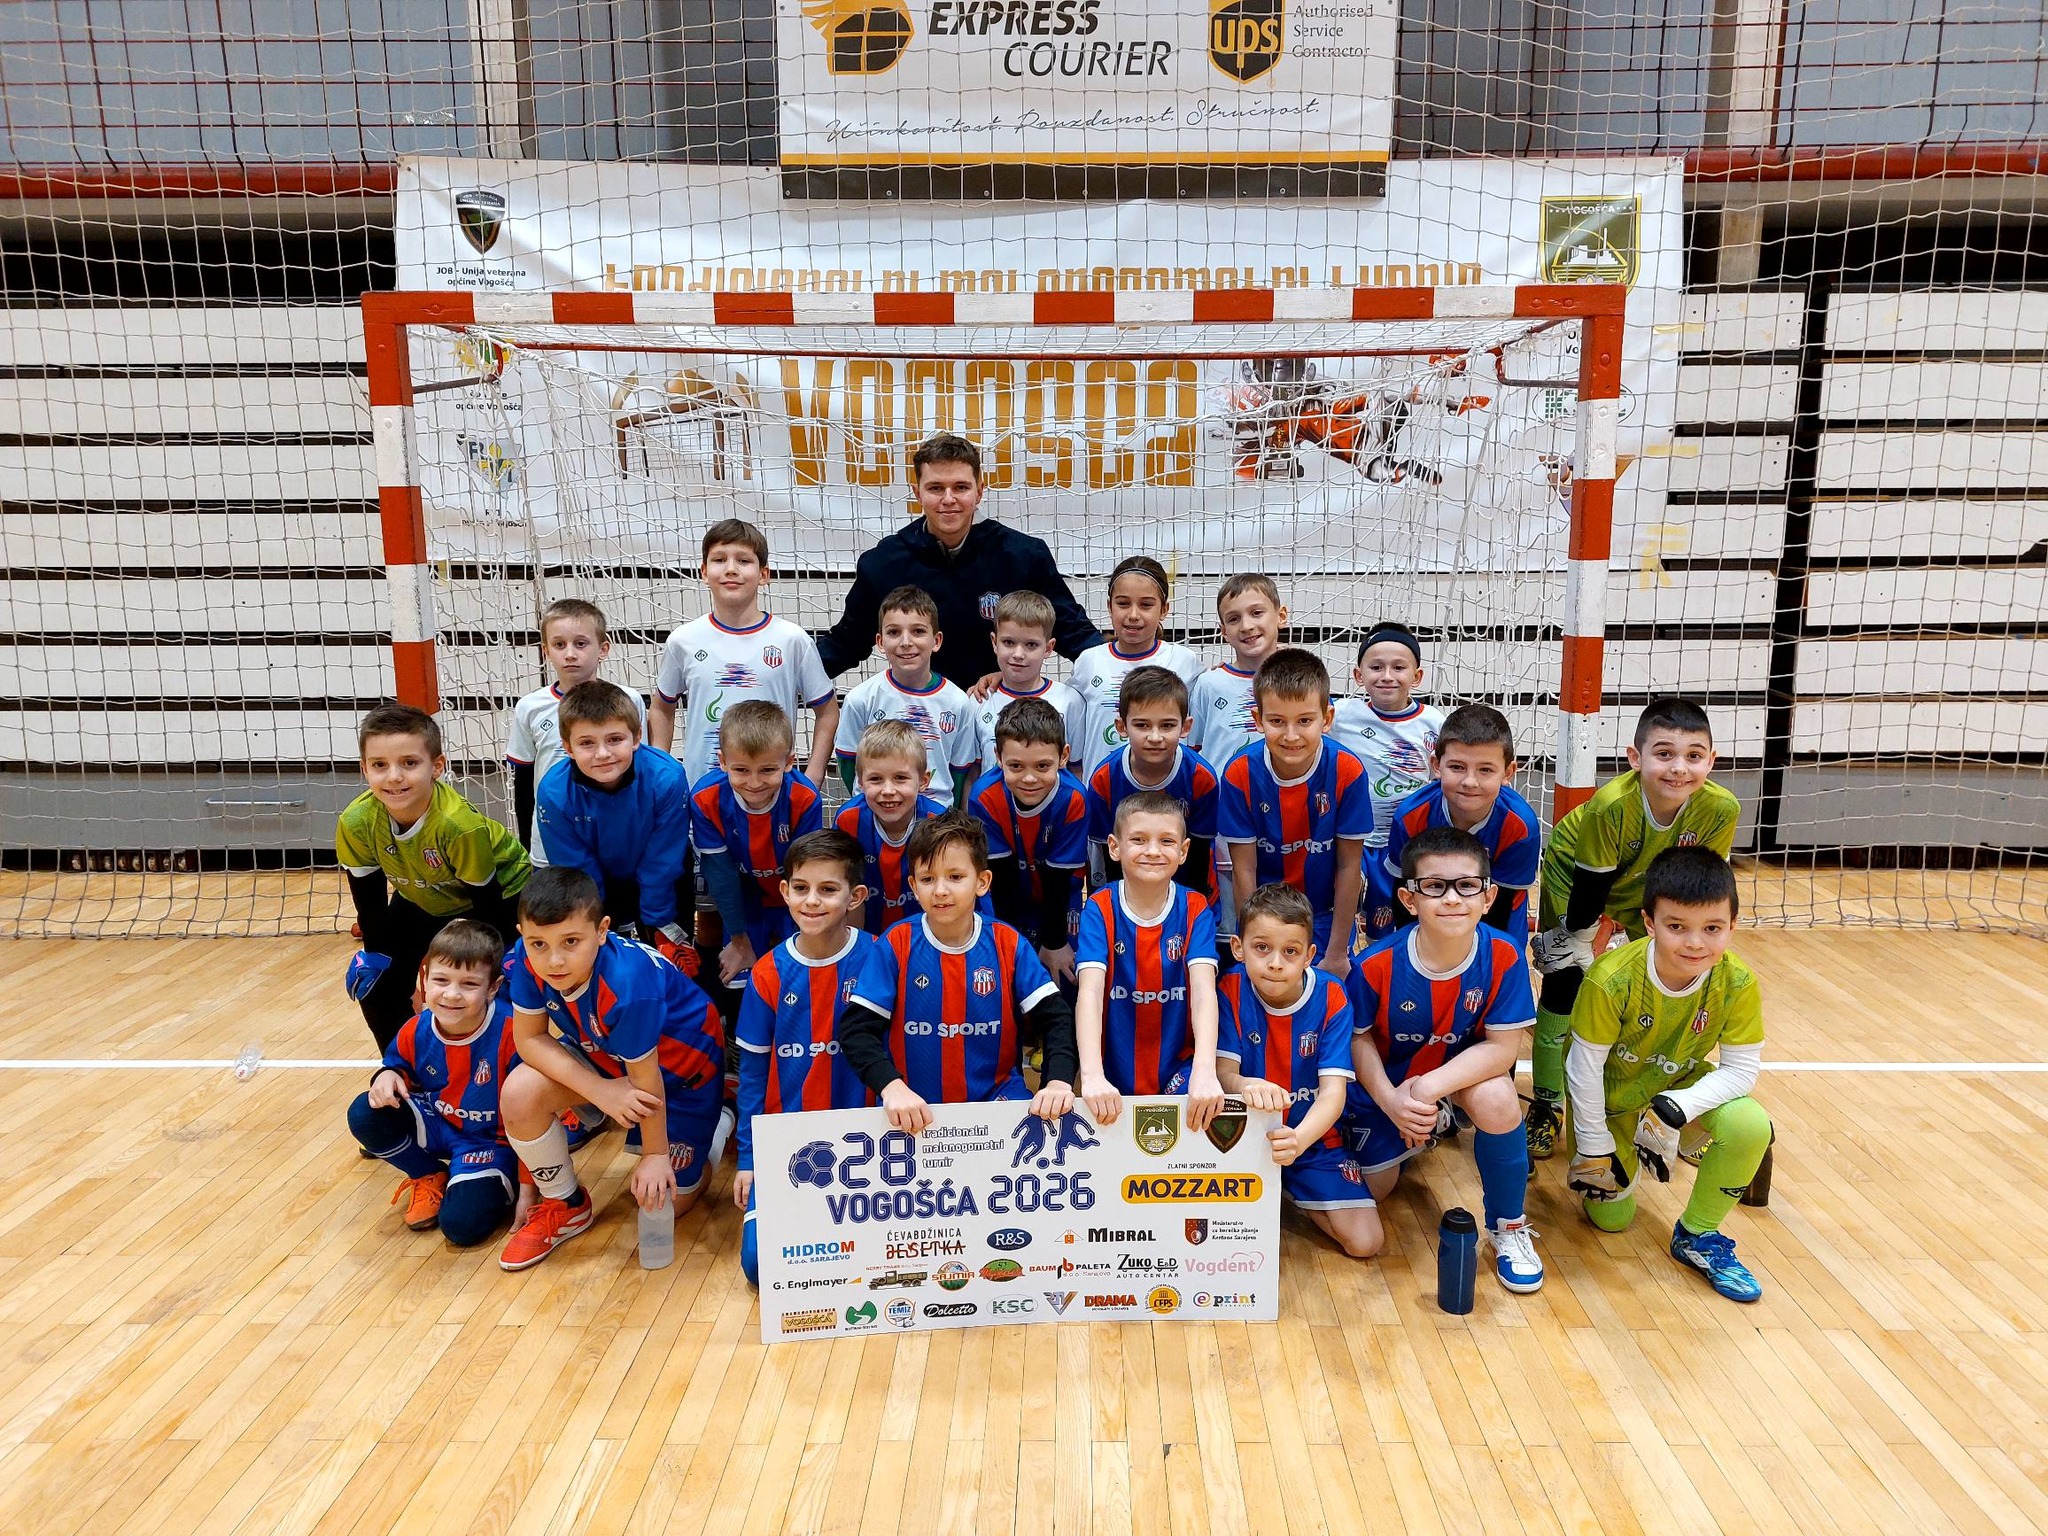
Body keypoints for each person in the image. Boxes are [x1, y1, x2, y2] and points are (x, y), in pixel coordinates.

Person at [1526, 697, 1741, 1161]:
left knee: (1662, 984)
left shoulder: (1721, 808)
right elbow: (1591, 893)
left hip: (1650, 889)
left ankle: (1657, 1105)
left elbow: (1700, 884)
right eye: (1664, 754)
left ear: (1711, 761)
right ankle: (1547, 1104)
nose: (1678, 768)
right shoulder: (1610, 807)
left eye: (1693, 755)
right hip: (1578, 883)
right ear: (1635, 758)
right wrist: (1588, 941)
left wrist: (1681, 940)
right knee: (1567, 982)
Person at [1564, 847, 1771, 1303]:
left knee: (1750, 1124)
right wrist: (1594, 1144)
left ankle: (1697, 1234)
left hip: (1675, 1090)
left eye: (1712, 928)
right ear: (1650, 922)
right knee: (1613, 1220)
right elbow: (1582, 1069)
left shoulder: (1737, 982)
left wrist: (1677, 1108)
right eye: (1677, 927)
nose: (1695, 943)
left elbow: (1741, 1072)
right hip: (1611, 1100)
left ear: (1733, 925)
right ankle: (1631, 1147)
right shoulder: (1611, 979)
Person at [1343, 827, 1545, 1291]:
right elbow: (1357, 1041)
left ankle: (1508, 1226)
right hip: (1390, 1087)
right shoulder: (1375, 964)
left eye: (1466, 885)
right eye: (1434, 886)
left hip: (1449, 1081)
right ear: (1409, 899)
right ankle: (1420, 1130)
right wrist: (1393, 1101)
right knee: (1375, 1190)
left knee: (1498, 1098)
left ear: (1488, 897)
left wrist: (1429, 1089)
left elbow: (1502, 1049)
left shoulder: (1504, 955)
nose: (1452, 898)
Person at [497, 868, 727, 1271]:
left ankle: (719, 1123)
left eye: (571, 941)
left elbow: (646, 1081)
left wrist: (655, 1156)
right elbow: (529, 1040)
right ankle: (565, 1203)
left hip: (684, 1076)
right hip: (611, 1060)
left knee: (667, 1201)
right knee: (519, 1092)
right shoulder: (527, 959)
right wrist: (600, 1091)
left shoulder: (627, 985)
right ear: (523, 934)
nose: (554, 960)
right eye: (539, 943)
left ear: (602, 930)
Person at [839, 813, 1080, 1132]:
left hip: (998, 1100)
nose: (940, 890)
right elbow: (856, 1030)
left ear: (982, 882)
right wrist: (891, 1087)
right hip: (914, 1109)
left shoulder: (1008, 943)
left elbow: (1056, 1018)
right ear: (913, 886)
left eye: (955, 877)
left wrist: (1058, 1081)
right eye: (927, 879)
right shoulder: (895, 944)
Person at [815, 433, 1098, 689]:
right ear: (917, 492)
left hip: (998, 709)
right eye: (936, 488)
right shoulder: (883, 563)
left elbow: (1071, 630)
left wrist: (1117, 666)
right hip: (918, 712)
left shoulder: (1025, 556)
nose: (948, 499)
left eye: (960, 487)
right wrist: (794, 669)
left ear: (979, 491)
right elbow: (847, 642)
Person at [733, 830, 879, 1287]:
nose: (812, 901)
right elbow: (752, 1077)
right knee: (761, 1267)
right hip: (789, 1146)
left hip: (867, 1141)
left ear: (855, 897)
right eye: (801, 888)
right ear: (784, 891)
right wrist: (749, 1159)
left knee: (878, 1259)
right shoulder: (767, 973)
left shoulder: (879, 958)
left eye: (828, 889)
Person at [338, 703, 529, 1048]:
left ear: (437, 766)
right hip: (425, 896)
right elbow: (370, 904)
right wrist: (375, 955)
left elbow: (486, 904)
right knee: (378, 982)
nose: (394, 777)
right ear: (364, 768)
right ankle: (402, 1067)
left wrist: (498, 957)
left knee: (484, 982)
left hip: (501, 897)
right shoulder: (356, 822)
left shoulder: (458, 825)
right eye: (380, 765)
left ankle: (495, 1063)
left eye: (409, 763)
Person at [1214, 884, 1375, 1257]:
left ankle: (1288, 1187)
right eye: (1261, 948)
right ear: (1238, 948)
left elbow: (1333, 1093)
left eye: (1290, 951)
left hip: (1310, 1137)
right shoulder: (1229, 988)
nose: (1275, 963)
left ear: (1309, 955)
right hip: (1243, 1137)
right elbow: (1222, 1072)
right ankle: (1279, 1188)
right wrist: (1244, 1084)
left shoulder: (1332, 995)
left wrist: (1299, 1140)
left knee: (1366, 1242)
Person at [347, 919, 522, 1246]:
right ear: (425, 978)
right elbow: (397, 1065)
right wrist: (387, 1076)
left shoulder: (513, 1032)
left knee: (461, 1227)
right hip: (438, 1123)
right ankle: (427, 1173)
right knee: (364, 1112)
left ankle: (483, 1179)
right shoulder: (417, 1029)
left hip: (490, 1142)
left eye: (469, 984)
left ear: (493, 987)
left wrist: (530, 1186)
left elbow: (534, 1111)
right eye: (441, 980)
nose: (452, 994)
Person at [1073, 791, 1225, 1129]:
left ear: (1184, 851)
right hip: (1111, 1071)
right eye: (1139, 839)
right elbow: (1090, 994)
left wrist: (1205, 1071)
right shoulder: (1099, 907)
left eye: (1166, 841)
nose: (1153, 850)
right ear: (1114, 847)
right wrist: (1092, 1074)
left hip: (1178, 1070)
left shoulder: (1195, 908)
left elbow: (1204, 993)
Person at [1217, 648, 1371, 980]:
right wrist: (1253, 943)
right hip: (1263, 916)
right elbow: (1244, 869)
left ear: (1326, 719)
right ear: (1258, 719)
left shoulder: (1348, 771)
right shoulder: (1239, 774)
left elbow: (1349, 866)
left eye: (1304, 721)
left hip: (1324, 916)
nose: (1290, 735)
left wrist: (1337, 952)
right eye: (1277, 721)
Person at [649, 518, 837, 789]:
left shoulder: (792, 640)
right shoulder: (683, 640)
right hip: (701, 794)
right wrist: (662, 772)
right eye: (719, 560)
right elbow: (661, 709)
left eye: (744, 561)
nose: (731, 569)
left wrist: (813, 777)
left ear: (764, 574)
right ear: (704, 572)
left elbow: (828, 712)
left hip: (772, 793)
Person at [533, 680, 694, 963]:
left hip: (664, 879)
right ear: (567, 747)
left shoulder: (667, 778)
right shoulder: (554, 792)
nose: (603, 754)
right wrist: (597, 923)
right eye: (587, 743)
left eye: (615, 739)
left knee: (669, 965)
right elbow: (577, 870)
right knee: (605, 962)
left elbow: (663, 859)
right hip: (595, 880)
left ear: (637, 737)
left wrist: (659, 925)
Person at [1371, 704, 1540, 947]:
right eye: (1457, 767)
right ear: (1436, 765)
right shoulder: (1410, 816)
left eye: (1485, 770)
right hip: (1430, 915)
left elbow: (1504, 903)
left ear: (1508, 772)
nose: (1470, 781)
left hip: (1497, 921)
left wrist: (1482, 954)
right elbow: (1403, 894)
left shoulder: (1520, 826)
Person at [690, 701, 824, 986]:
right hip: (742, 901)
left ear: (789, 762)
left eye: (767, 770)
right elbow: (721, 876)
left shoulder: (805, 799)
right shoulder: (705, 799)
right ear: (722, 761)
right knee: (738, 982)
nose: (754, 783)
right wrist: (739, 939)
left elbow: (807, 872)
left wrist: (807, 931)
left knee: (800, 978)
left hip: (792, 899)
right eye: (741, 770)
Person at [504, 597, 643, 860]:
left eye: (580, 643)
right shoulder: (529, 707)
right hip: (551, 837)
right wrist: (526, 842)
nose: (569, 654)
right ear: (546, 651)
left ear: (603, 648)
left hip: (616, 834)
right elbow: (523, 780)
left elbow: (639, 768)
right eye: (559, 645)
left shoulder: (630, 700)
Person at [967, 697, 1088, 987]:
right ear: (998, 757)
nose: (1030, 778)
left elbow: (1059, 878)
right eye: (1016, 766)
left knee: (1064, 975)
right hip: (1007, 895)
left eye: (1042, 765)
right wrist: (1013, 946)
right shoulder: (984, 796)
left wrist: (1055, 942)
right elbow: (1001, 880)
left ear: (1064, 756)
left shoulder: (1074, 798)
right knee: (1007, 974)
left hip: (1060, 898)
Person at [832, 584, 981, 810]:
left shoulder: (957, 702)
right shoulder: (861, 699)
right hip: (876, 813)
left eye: (918, 631)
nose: (906, 642)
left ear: (937, 640)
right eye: (894, 632)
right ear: (880, 642)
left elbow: (960, 771)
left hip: (936, 819)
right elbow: (848, 761)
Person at [1085, 665, 1218, 900]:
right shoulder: (1103, 779)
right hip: (1124, 892)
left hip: (1184, 891)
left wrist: (1191, 908)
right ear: (1121, 727)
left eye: (1167, 725)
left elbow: (1199, 857)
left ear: (1186, 727)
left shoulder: (1201, 777)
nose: (1155, 737)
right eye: (1142, 725)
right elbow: (1107, 857)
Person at [1330, 624, 1445, 892]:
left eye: (1399, 667)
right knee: (1348, 906)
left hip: (1411, 841)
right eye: (1376, 667)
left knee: (1400, 907)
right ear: (1358, 675)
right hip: (1354, 840)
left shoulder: (1434, 722)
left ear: (1417, 676)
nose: (1387, 676)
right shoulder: (1340, 714)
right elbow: (1298, 706)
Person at [1070, 556, 1205, 778]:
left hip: (1165, 791)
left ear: (1164, 609)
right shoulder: (1089, 661)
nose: (1133, 615)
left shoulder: (1184, 661)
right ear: (1109, 606)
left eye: (1146, 605)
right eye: (1123, 604)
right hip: (1103, 790)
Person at [836, 719, 947, 935]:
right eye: (876, 779)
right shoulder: (848, 821)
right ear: (860, 782)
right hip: (869, 932)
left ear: (923, 781)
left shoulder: (938, 822)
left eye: (900, 778)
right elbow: (846, 892)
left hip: (924, 934)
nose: (888, 790)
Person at [970, 590, 1087, 773]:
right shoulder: (979, 700)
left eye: (1031, 645)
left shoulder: (1070, 701)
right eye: (1009, 642)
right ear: (994, 642)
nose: (1018, 654)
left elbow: (1077, 770)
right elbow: (973, 773)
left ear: (1048, 648)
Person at [1188, 573, 1286, 771]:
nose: (1246, 626)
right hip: (1222, 790)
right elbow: (1193, 750)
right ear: (1224, 631)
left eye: (1256, 613)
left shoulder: (1303, 678)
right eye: (1234, 619)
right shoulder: (1209, 684)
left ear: (1281, 616)